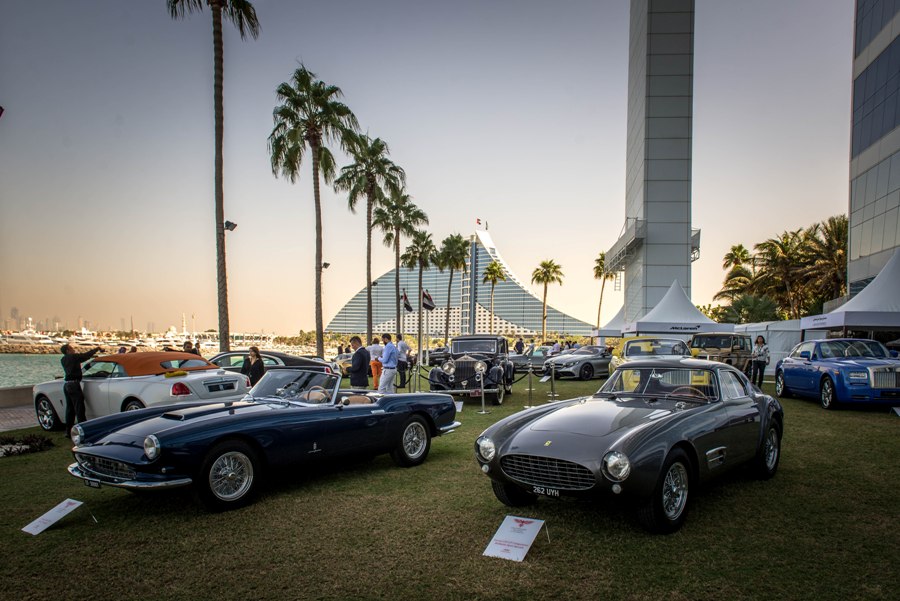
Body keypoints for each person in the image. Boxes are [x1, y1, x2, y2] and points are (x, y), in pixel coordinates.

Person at [60, 343, 102, 437]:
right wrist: (96, 349)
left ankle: (68, 431)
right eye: (71, 348)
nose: (73, 349)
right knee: (79, 408)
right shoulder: (73, 357)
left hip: (67, 385)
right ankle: (83, 430)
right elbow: (85, 356)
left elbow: (80, 360)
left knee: (70, 409)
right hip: (74, 385)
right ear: (67, 350)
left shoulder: (63, 359)